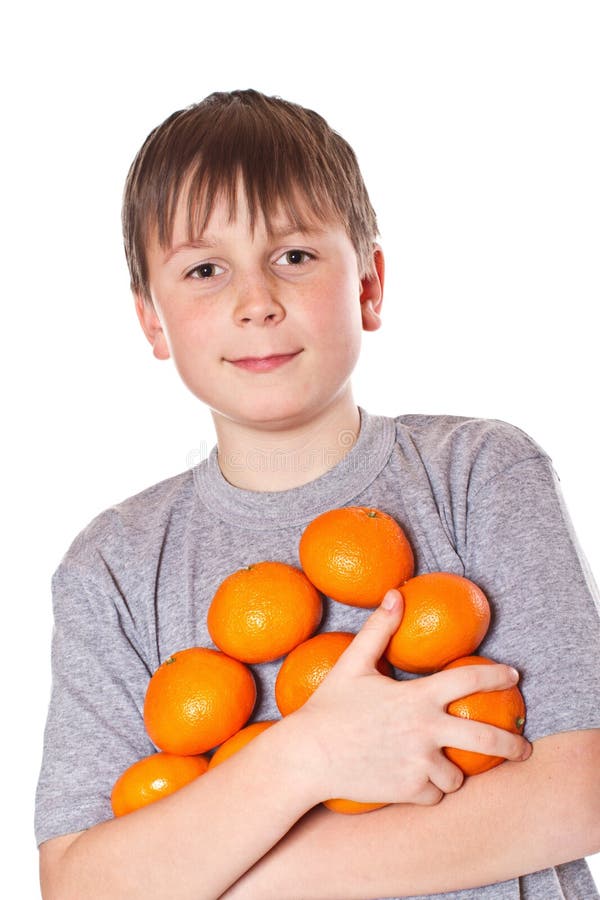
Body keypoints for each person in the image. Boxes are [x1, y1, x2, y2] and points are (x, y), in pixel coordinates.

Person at [36, 89, 600, 900]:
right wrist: (308, 755)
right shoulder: (113, 566)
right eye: (204, 269)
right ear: (152, 322)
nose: (255, 301)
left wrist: (224, 876)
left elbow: (579, 791)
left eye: (294, 256)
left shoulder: (479, 472)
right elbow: (80, 885)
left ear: (369, 283)